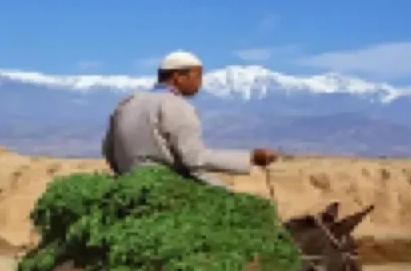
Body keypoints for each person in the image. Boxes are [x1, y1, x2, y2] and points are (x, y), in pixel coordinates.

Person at [101, 50, 278, 188]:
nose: (200, 83)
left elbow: (109, 149)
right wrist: (251, 158)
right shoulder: (176, 106)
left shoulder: (127, 103)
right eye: (197, 76)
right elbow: (194, 158)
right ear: (178, 77)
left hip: (130, 182)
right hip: (169, 185)